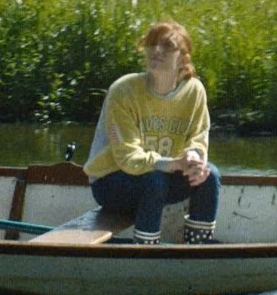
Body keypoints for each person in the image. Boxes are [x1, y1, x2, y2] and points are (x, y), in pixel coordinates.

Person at [82, 20, 220, 245]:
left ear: (183, 59)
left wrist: (194, 158)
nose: (156, 51)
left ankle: (198, 247)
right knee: (154, 180)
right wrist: (173, 163)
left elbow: (198, 137)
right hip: (111, 183)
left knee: (209, 176)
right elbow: (127, 157)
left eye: (167, 46)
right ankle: (145, 250)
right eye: (152, 44)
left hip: (160, 176)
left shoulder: (194, 91)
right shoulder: (123, 91)